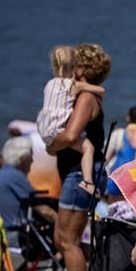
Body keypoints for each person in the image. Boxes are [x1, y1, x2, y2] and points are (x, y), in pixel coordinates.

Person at [45, 43, 110, 271]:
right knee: (61, 238)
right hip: (76, 173)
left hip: (79, 174)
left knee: (67, 240)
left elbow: (71, 135)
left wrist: (51, 145)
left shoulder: (85, 98)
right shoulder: (86, 95)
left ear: (81, 68)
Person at [36, 46, 106, 195]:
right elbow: (71, 137)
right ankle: (88, 181)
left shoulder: (49, 84)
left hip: (46, 128)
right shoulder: (75, 87)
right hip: (76, 170)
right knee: (89, 148)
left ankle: (88, 181)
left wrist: (52, 146)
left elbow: (70, 136)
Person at [0, 137, 57, 249]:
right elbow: (45, 211)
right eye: (31, 156)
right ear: (23, 159)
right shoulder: (15, 177)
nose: (33, 161)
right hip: (12, 236)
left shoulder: (2, 174)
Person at [104, 105, 136, 198]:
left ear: (128, 118)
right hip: (135, 183)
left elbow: (106, 159)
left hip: (116, 180)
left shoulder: (118, 133)